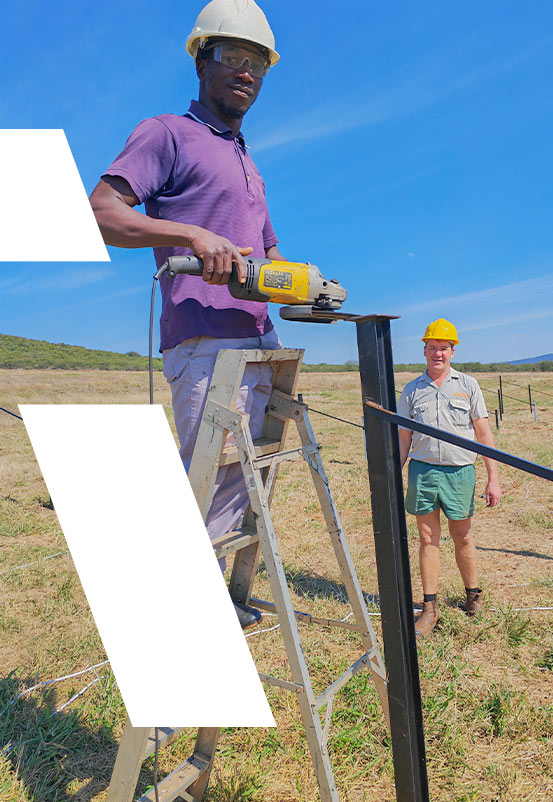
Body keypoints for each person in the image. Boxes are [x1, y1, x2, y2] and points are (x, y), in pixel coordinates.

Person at [90, 0, 285, 629]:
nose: (246, 71)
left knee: (244, 484)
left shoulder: (246, 159)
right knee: (207, 482)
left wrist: (307, 286)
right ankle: (173, 625)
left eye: (258, 62)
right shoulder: (167, 133)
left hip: (259, 340)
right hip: (204, 341)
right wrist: (191, 236)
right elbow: (102, 212)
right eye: (232, 55)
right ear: (202, 62)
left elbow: (269, 253)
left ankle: (217, 604)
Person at [397, 318, 501, 637]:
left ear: (453, 351)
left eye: (443, 348)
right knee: (427, 539)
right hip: (423, 471)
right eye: (432, 348)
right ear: (424, 350)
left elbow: (483, 433)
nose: (437, 354)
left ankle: (473, 596)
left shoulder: (468, 385)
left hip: (460, 472)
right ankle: (429, 608)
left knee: (463, 537)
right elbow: (403, 439)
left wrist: (493, 477)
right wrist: (393, 475)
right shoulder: (412, 390)